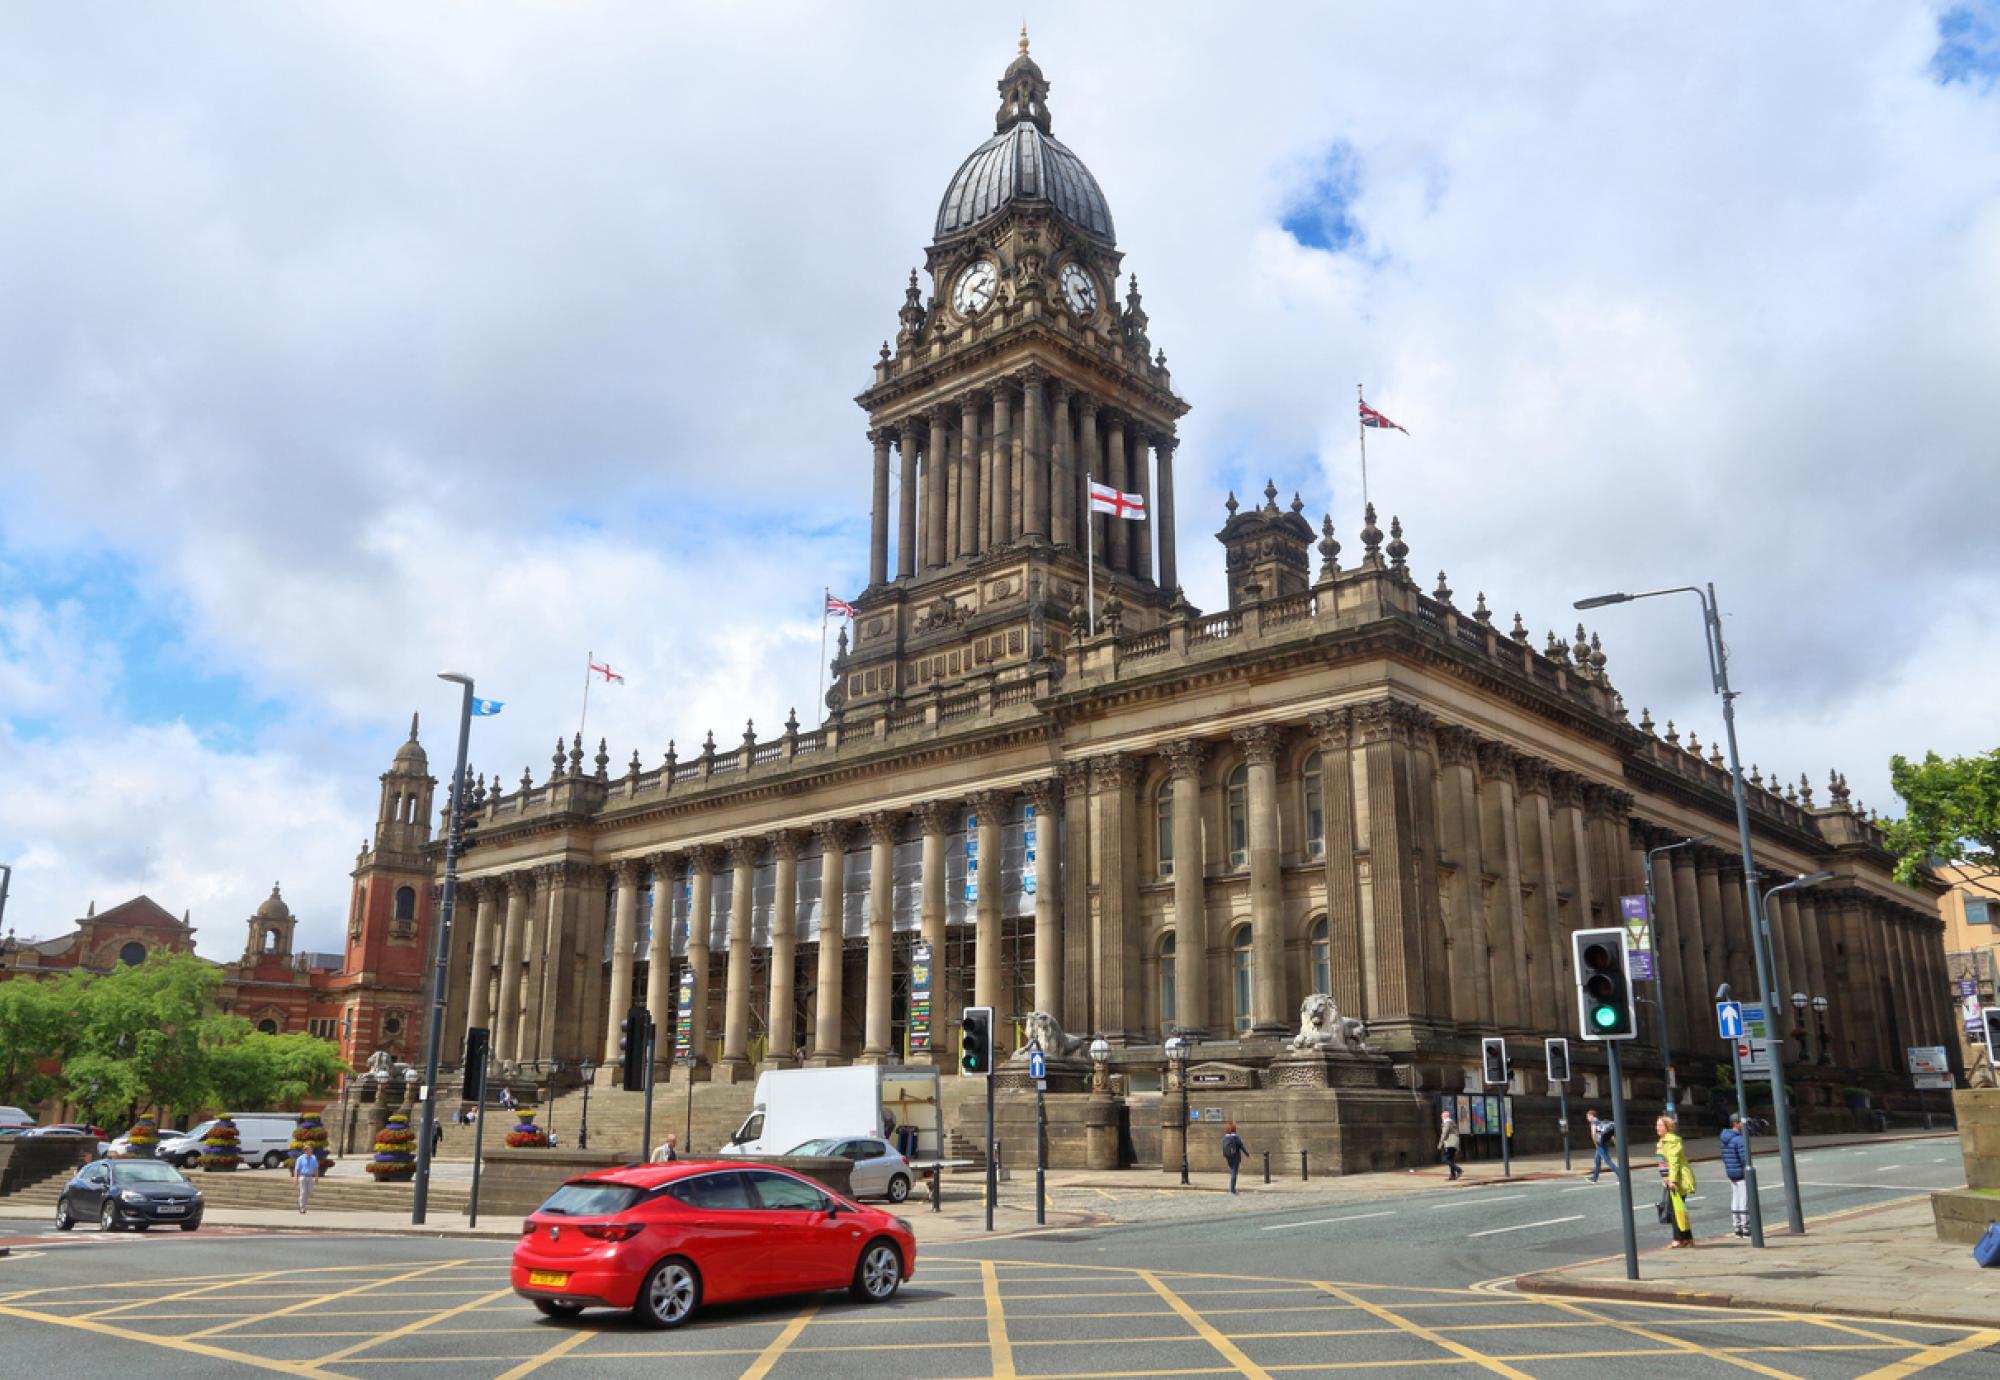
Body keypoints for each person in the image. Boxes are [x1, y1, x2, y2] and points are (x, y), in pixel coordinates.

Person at [1656, 1114, 1696, 1248]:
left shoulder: (1671, 1141)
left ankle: (1678, 1240)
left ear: (1668, 1127)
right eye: (1657, 1125)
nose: (1657, 1128)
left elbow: (1674, 1162)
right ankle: (1687, 1239)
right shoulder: (1662, 1141)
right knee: (1679, 1209)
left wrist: (1672, 1181)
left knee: (1674, 1211)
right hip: (1670, 1180)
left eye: (1660, 1125)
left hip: (1677, 1180)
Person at [1719, 1113, 1750, 1238]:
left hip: (1731, 1172)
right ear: (1736, 1123)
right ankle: (1746, 1228)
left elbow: (1724, 1157)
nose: (1743, 1124)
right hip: (1740, 1172)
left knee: (1735, 1199)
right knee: (1744, 1199)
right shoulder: (1739, 1139)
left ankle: (1736, 1227)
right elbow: (1744, 1158)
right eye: (1741, 1122)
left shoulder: (1724, 1138)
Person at [1587, 1108, 1618, 1182]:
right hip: (1605, 1143)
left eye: (1588, 1116)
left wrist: (1595, 1144)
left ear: (1591, 1115)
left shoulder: (1594, 1122)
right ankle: (1594, 1178)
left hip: (1600, 1144)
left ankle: (1621, 1175)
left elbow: (1593, 1133)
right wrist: (1614, 1141)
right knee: (1597, 1160)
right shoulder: (1601, 1122)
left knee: (1608, 1161)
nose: (1587, 1118)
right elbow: (1609, 1134)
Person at [292, 1143, 321, 1214]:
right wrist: (295, 1178)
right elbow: (296, 1169)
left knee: (309, 1192)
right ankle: (302, 1207)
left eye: (311, 1150)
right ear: (305, 1151)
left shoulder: (313, 1158)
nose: (311, 1152)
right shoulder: (300, 1158)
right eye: (309, 1150)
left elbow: (316, 1168)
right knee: (303, 1192)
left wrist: (316, 1177)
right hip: (303, 1176)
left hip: (310, 1177)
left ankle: (301, 1204)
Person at [1220, 1122, 1247, 1195]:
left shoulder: (1224, 1138)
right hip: (1235, 1157)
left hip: (1228, 1157)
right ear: (1234, 1129)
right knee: (1234, 1172)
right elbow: (1241, 1146)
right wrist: (1247, 1154)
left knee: (1232, 1172)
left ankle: (1232, 1189)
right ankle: (1232, 1189)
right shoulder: (1236, 1137)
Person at [1438, 1110, 1463, 1181]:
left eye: (1442, 1116)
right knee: (1451, 1159)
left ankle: (1458, 1170)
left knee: (1444, 1159)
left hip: (1450, 1144)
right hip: (1454, 1144)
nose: (1441, 1118)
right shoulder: (1452, 1123)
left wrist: (1440, 1144)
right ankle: (1453, 1175)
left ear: (1445, 1116)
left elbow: (1444, 1134)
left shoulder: (1447, 1123)